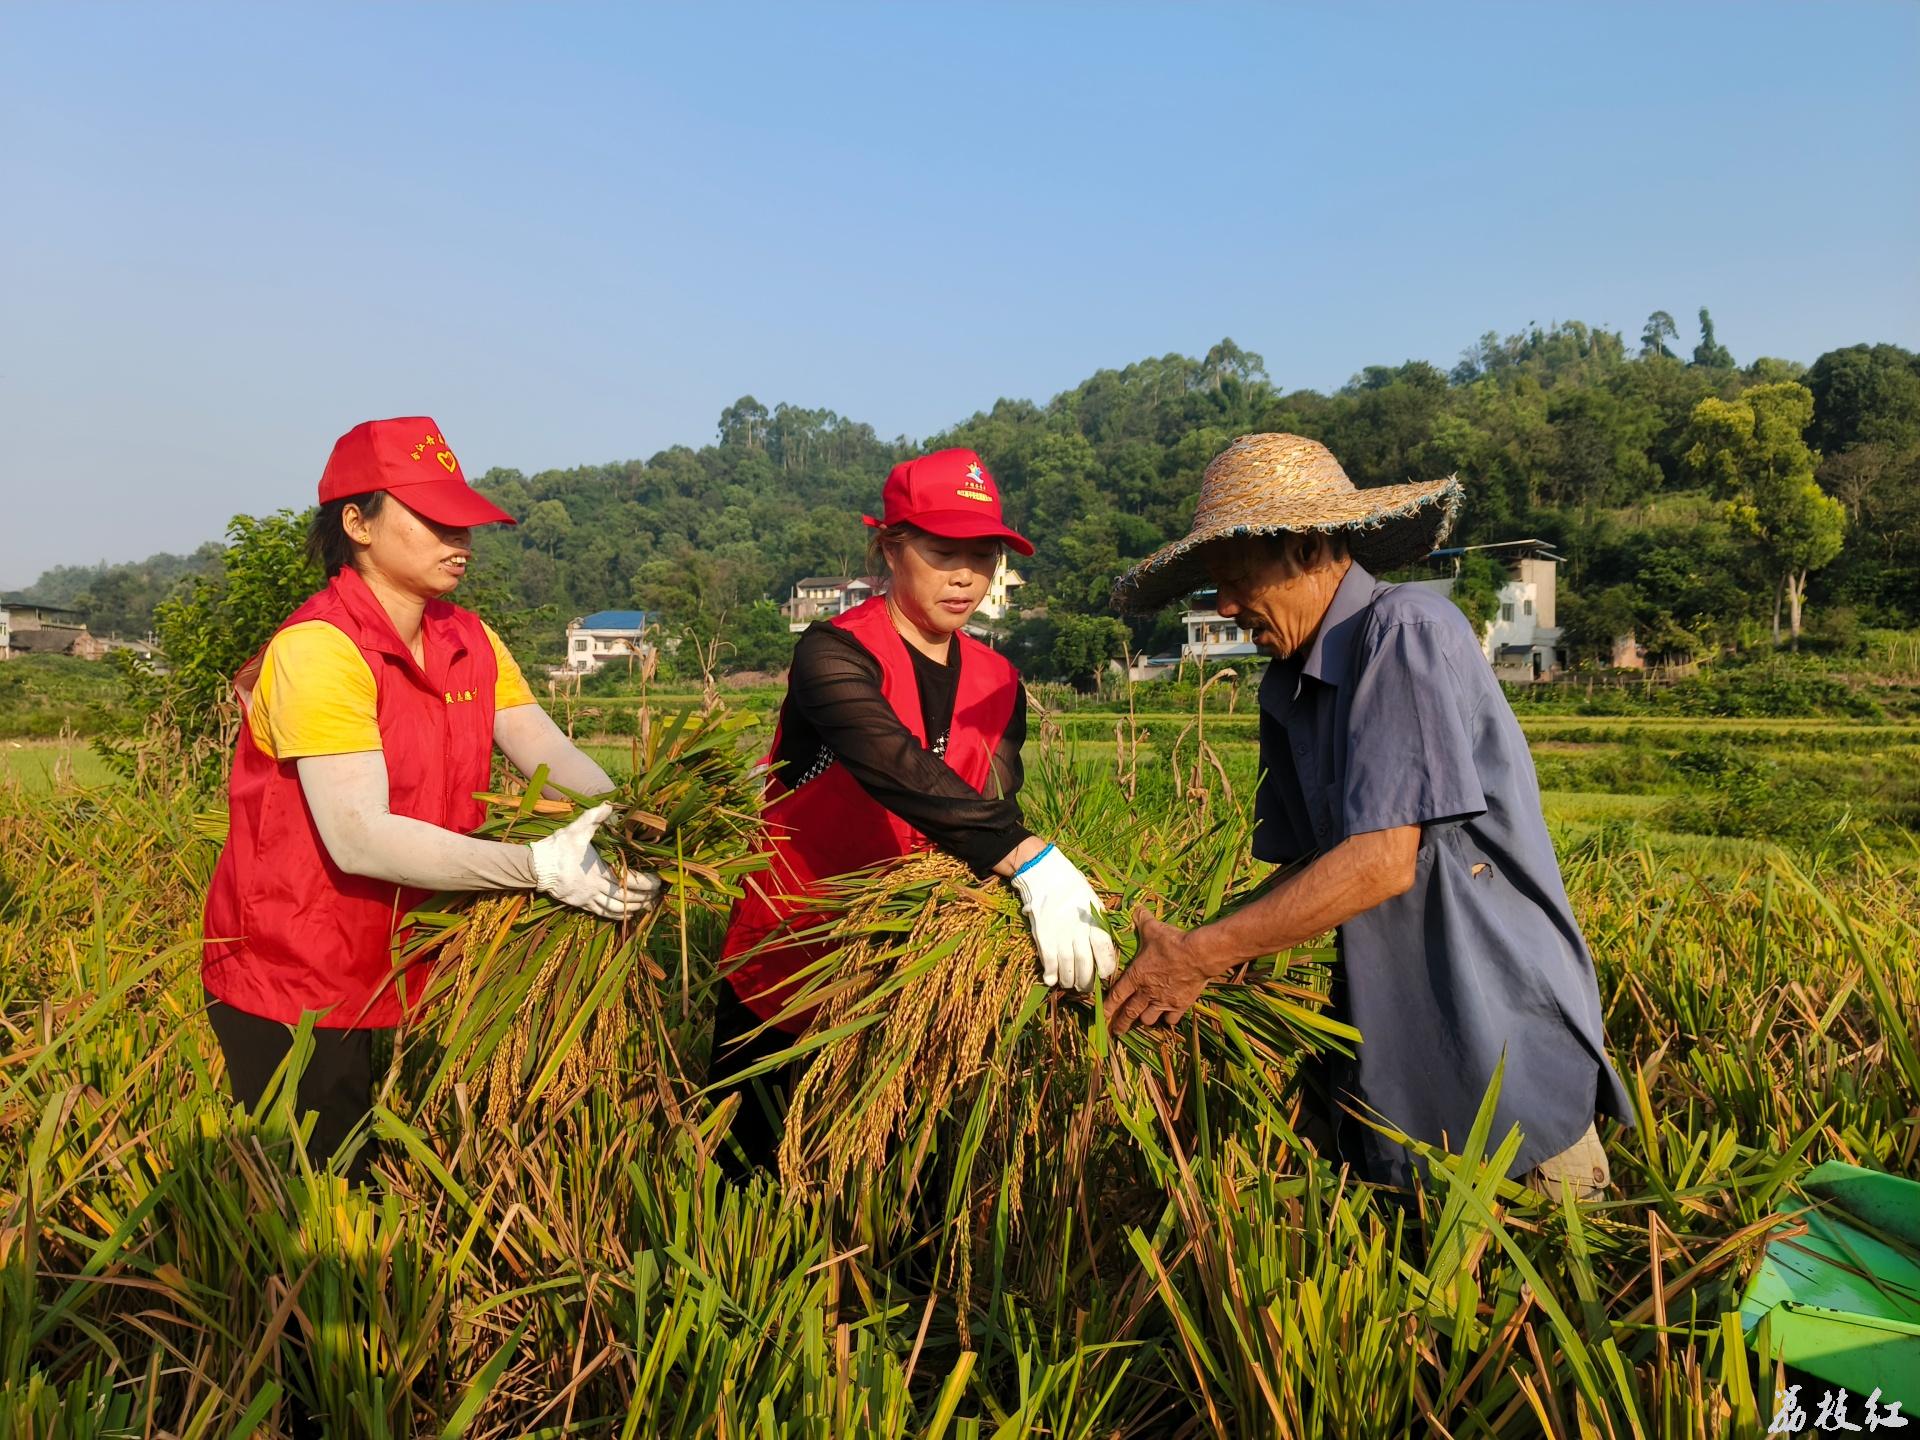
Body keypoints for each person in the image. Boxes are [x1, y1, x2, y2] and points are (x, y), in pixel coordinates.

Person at [1105, 433, 1631, 1198]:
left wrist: (1202, 955)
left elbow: (1381, 858)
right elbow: (1312, 868)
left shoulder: (1405, 632)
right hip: (1397, 1065)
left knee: (1540, 1301)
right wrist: (1184, 949)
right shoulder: (1288, 686)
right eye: (1212, 586)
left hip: (1495, 1042)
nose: (1223, 605)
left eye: (1235, 576)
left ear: (1308, 546)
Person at [202, 416, 660, 1180]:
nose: (461, 540)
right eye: (434, 520)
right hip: (301, 964)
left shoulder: (468, 638)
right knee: (320, 1196)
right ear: (357, 523)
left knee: (399, 1170)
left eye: (466, 522)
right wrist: (540, 867)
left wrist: (637, 814)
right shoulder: (320, 649)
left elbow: (543, 747)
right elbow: (358, 837)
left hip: (415, 947)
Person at [713, 447, 1116, 1171]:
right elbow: (892, 766)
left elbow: (991, 805)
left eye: (983, 554)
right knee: (749, 1192)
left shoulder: (999, 681)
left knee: (894, 1202)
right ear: (890, 546)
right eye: (942, 551)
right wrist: (1034, 859)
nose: (966, 575)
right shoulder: (833, 655)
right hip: (789, 972)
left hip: (909, 984)